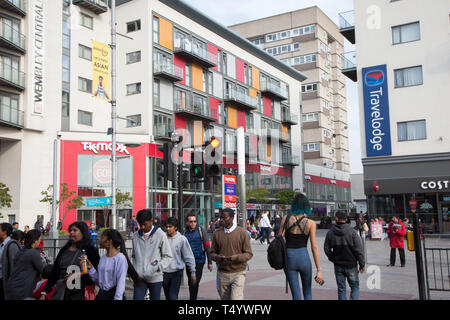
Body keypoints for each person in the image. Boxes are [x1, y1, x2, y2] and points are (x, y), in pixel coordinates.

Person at [279, 193, 323, 300]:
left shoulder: (286, 219)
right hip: (304, 257)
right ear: (306, 206)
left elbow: (280, 238)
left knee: (296, 294)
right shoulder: (311, 223)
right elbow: (314, 248)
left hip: (289, 258)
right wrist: (319, 270)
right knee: (307, 293)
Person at [40, 222, 100, 300]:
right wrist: (44, 292)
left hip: (81, 294)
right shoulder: (64, 250)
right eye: (70, 230)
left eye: (75, 230)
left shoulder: (90, 250)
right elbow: (55, 272)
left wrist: (80, 274)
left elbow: (96, 272)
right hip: (62, 293)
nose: (71, 232)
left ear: (83, 233)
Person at [210, 208, 253, 300]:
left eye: (224, 218)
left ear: (232, 218)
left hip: (239, 272)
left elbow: (249, 254)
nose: (221, 220)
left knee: (236, 298)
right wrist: (217, 257)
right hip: (223, 273)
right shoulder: (217, 234)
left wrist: (237, 257)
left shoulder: (242, 233)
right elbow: (212, 253)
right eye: (220, 217)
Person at [87, 229, 141, 300]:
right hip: (102, 296)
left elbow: (120, 282)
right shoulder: (103, 258)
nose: (99, 240)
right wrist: (91, 269)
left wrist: (117, 298)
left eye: (102, 237)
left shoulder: (120, 258)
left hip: (113, 296)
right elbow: (100, 281)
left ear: (109, 242)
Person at [132, 209, 173, 300]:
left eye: (145, 224)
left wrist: (156, 267)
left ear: (151, 221)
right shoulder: (135, 236)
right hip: (139, 278)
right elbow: (134, 256)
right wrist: (135, 271)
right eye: (140, 224)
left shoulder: (161, 235)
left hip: (155, 277)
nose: (142, 227)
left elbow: (168, 256)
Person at [324, 211, 365, 300]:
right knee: (354, 287)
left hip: (338, 264)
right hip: (351, 264)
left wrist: (332, 258)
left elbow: (326, 248)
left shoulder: (331, 232)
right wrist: (362, 265)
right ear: (346, 219)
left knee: (341, 289)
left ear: (336, 219)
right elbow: (359, 250)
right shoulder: (353, 232)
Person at [163, 217, 196, 300]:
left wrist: (193, 272)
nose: (168, 229)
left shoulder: (181, 239)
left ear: (176, 227)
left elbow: (188, 256)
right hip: (164, 273)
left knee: (173, 296)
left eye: (170, 227)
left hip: (176, 273)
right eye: (166, 227)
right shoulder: (162, 237)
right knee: (167, 296)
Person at [6, 229, 44, 300]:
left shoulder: (21, 250)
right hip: (23, 289)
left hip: (13, 287)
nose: (40, 242)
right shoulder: (33, 253)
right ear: (35, 240)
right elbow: (42, 270)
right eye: (39, 239)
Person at [182, 213, 213, 300]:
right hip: (188, 261)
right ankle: (192, 296)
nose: (193, 223)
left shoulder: (201, 231)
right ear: (187, 222)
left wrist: (209, 262)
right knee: (190, 281)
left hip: (199, 260)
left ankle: (192, 298)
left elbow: (207, 246)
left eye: (195, 221)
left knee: (195, 281)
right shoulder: (184, 232)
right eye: (191, 221)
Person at [0, 223, 21, 300]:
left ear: (4, 232)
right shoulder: (1, 245)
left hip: (5, 281)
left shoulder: (11, 246)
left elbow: (14, 266)